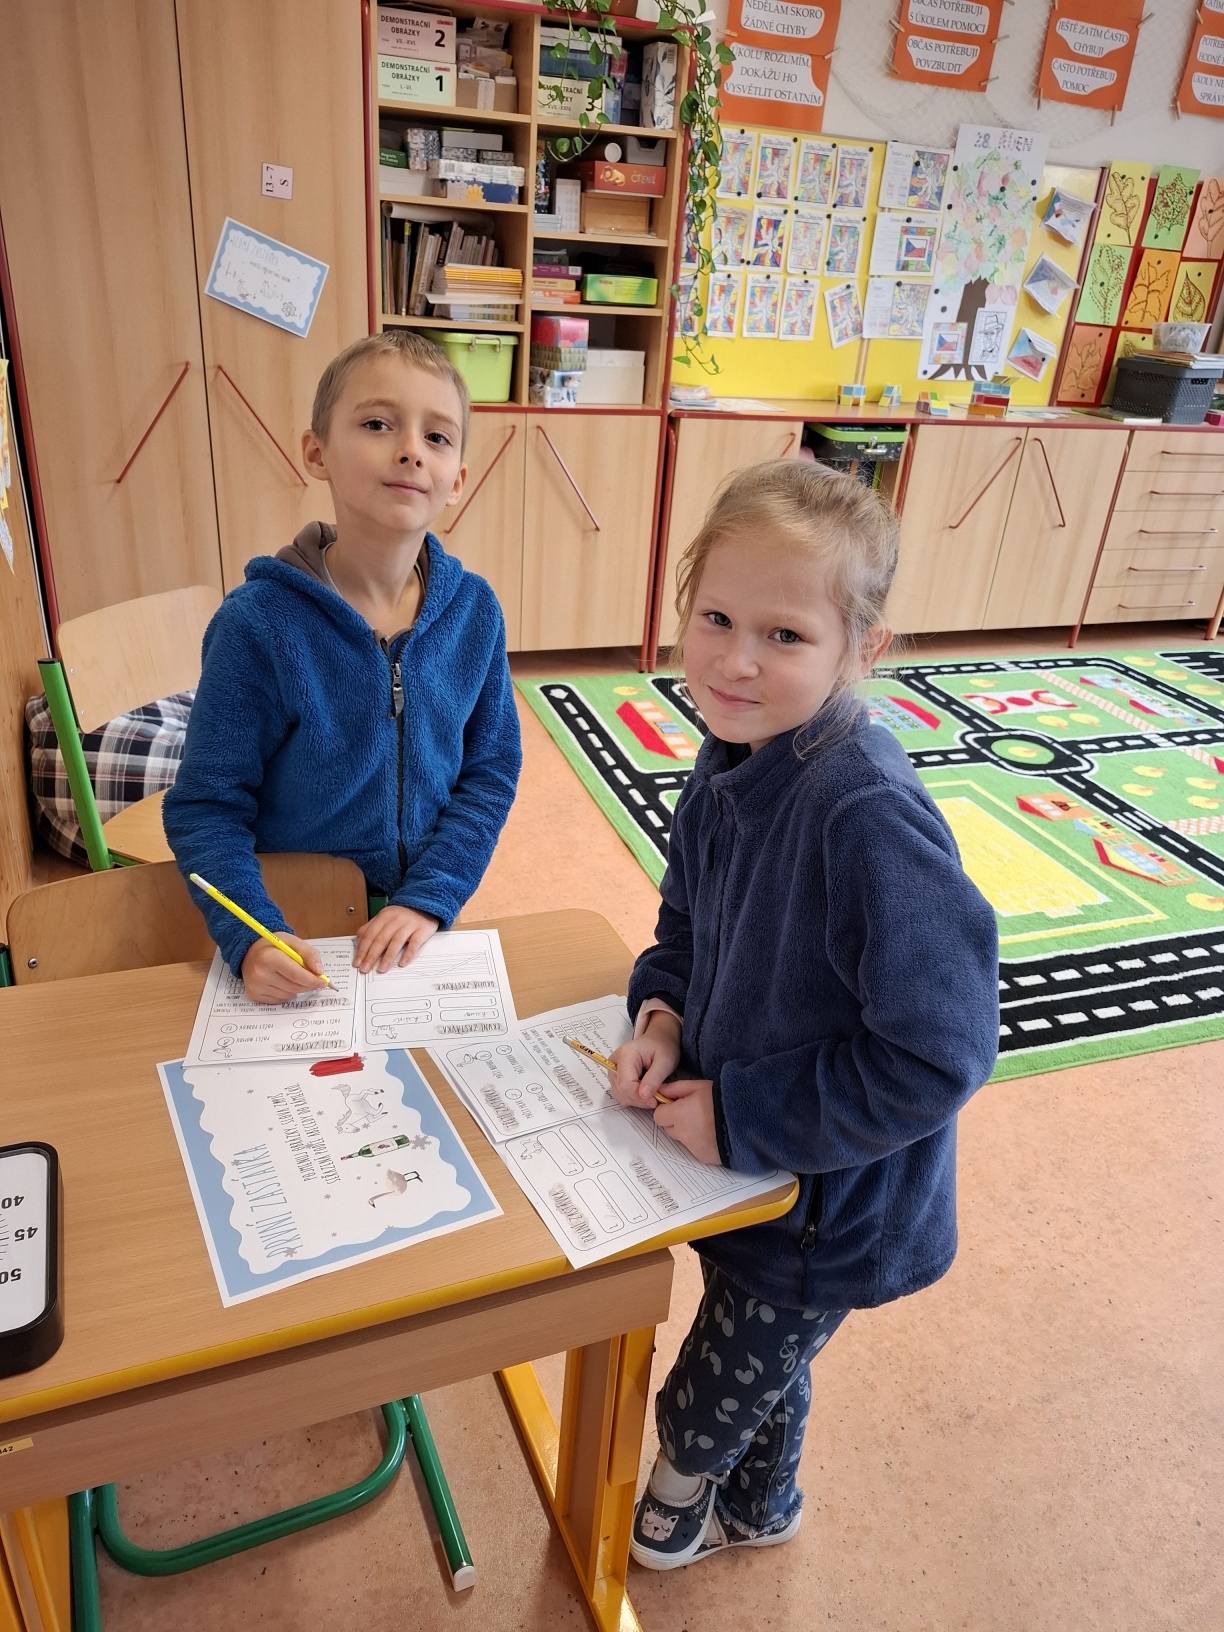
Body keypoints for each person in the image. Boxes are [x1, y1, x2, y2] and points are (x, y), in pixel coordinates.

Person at [608, 461, 999, 1570]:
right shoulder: (732, 751)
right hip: (740, 1160)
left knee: (717, 1380)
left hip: (830, 1201)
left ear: (861, 649)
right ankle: (764, 1506)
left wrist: (746, 1116)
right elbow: (686, 918)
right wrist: (662, 1014)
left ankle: (681, 1503)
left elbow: (941, 1053)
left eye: (784, 636)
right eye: (716, 619)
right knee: (765, 1353)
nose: (736, 661)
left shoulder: (865, 812)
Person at [164, 329, 521, 1002]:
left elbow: (491, 772)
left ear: (456, 482)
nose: (411, 450)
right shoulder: (257, 624)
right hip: (294, 923)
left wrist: (432, 895)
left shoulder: (475, 613)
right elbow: (206, 807)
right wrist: (251, 935)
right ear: (316, 451)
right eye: (378, 424)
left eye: (437, 437)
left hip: (420, 928)